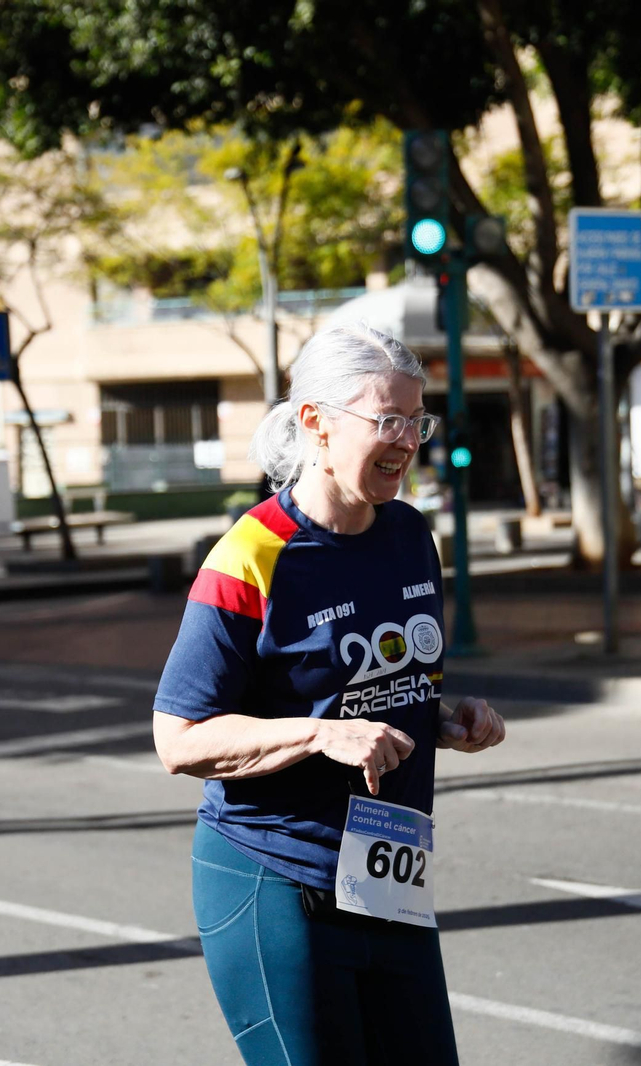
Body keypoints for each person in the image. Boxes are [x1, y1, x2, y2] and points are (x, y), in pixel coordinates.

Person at [152, 324, 507, 1066]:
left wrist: (444, 717)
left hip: (388, 880)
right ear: (314, 420)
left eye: (417, 421)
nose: (407, 440)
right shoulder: (250, 556)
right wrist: (317, 736)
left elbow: (367, 692)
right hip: (276, 881)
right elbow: (179, 739)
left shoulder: (411, 536)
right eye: (386, 420)